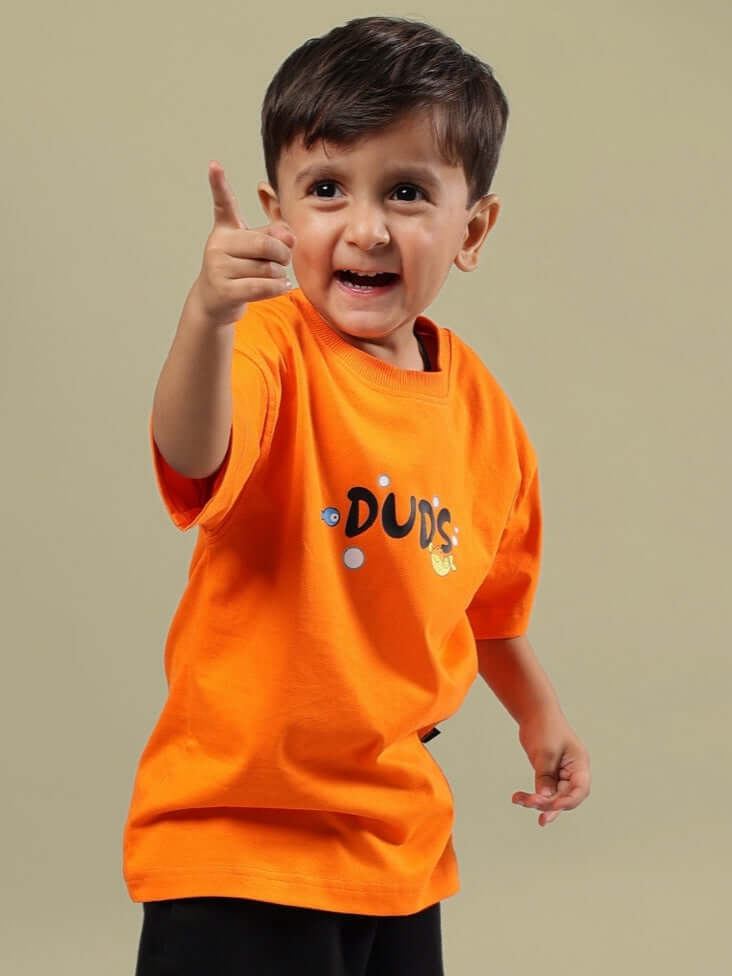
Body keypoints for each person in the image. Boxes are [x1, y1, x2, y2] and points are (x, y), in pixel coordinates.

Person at [125, 14, 591, 976]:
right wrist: (209, 315)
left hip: (395, 848)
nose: (366, 227)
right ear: (277, 213)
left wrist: (539, 716)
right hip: (236, 844)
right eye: (328, 189)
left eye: (409, 191)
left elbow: (487, 606)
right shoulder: (268, 348)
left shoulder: (486, 419)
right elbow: (194, 448)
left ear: (474, 227)